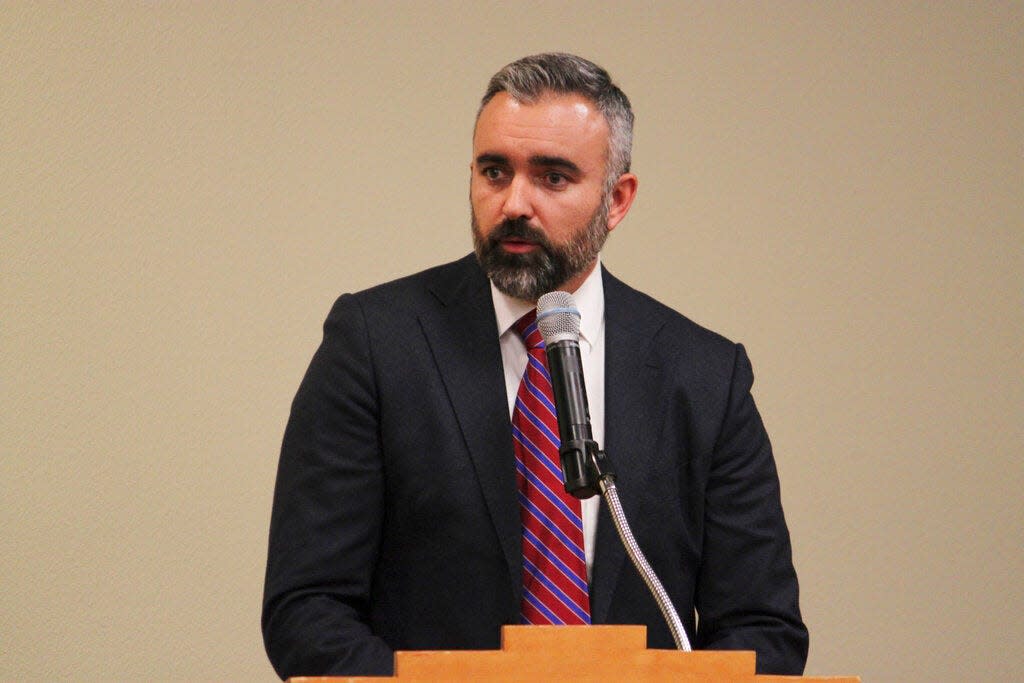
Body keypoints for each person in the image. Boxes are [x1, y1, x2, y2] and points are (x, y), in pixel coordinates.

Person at [262, 52, 808, 678]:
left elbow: (762, 629)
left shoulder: (706, 377)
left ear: (617, 200)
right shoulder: (376, 344)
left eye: (552, 178)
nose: (515, 202)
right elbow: (308, 609)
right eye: (495, 171)